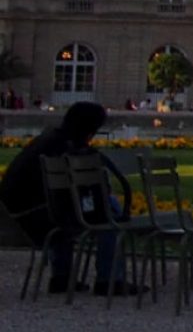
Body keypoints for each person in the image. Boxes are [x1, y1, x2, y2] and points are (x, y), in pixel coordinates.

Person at [0, 103, 143, 296]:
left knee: (70, 208)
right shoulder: (71, 149)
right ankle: (109, 279)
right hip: (40, 218)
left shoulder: (47, 141)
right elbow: (95, 189)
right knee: (111, 212)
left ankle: (62, 277)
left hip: (20, 217)